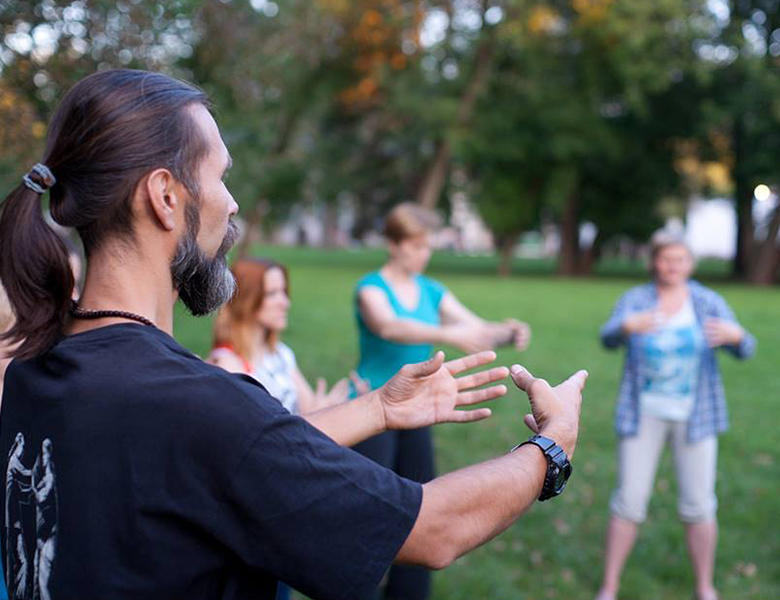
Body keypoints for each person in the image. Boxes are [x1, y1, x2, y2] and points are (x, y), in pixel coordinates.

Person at [0, 69, 586, 600]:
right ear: (165, 197)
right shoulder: (192, 405)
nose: (232, 203)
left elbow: (217, 460)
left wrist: (377, 408)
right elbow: (432, 529)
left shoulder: (35, 368)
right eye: (221, 177)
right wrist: (552, 446)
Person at [352, 203, 532, 600]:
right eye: (416, 246)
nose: (424, 254)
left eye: (427, 246)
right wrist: (449, 334)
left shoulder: (431, 290)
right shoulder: (370, 287)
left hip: (417, 411)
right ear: (394, 245)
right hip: (369, 410)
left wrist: (507, 331)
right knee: (370, 511)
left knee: (418, 508)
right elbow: (389, 325)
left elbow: (475, 326)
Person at [594, 232, 755, 600]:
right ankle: (609, 586)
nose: (672, 266)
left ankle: (704, 587)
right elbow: (607, 338)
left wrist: (737, 335)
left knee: (699, 504)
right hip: (641, 415)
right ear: (654, 261)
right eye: (666, 259)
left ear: (690, 264)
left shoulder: (706, 301)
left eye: (680, 259)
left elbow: (745, 349)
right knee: (629, 501)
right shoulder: (636, 300)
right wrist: (624, 326)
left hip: (696, 418)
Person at [209, 257, 361, 415]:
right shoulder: (229, 367)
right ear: (246, 299)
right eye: (272, 294)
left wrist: (335, 406)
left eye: (283, 291)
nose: (285, 303)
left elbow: (310, 410)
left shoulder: (280, 353)